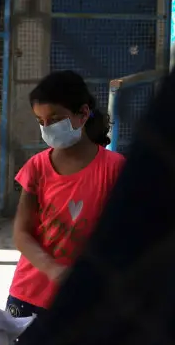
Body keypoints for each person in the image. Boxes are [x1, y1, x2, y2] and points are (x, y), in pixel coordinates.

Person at [6, 70, 125, 319]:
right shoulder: (36, 168)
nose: (47, 128)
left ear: (82, 114)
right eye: (41, 121)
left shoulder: (114, 169)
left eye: (55, 119)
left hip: (88, 299)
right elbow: (21, 233)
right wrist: (54, 269)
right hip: (30, 293)